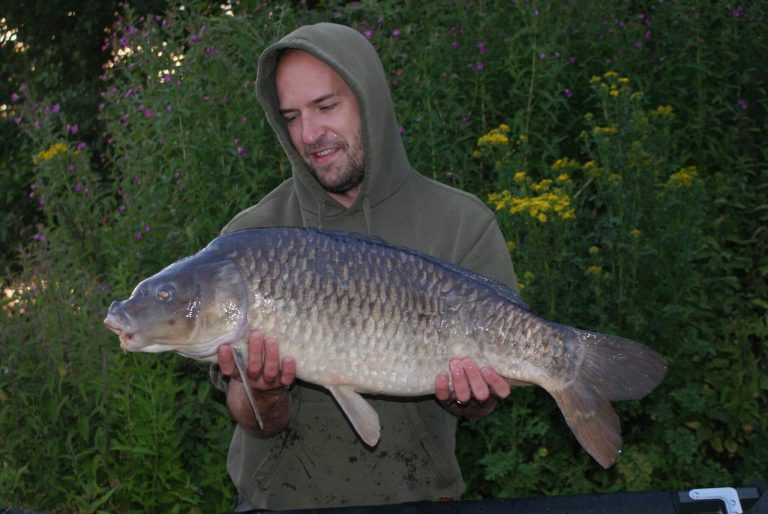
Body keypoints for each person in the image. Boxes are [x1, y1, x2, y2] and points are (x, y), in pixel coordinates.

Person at [210, 22, 519, 511]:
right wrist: (264, 395)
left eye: (326, 107)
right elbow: (253, 419)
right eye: (292, 116)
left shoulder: (461, 224)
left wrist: (471, 397)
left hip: (416, 496)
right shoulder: (252, 240)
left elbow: (484, 404)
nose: (310, 134)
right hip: (277, 501)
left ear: (370, 102)